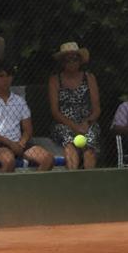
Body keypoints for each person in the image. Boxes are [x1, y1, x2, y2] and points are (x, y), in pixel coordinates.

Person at [0, 61, 54, 172]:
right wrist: (10, 144)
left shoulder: (19, 101)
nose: (5, 80)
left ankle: (34, 187)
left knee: (48, 159)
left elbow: (28, 129)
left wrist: (21, 143)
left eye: (9, 76)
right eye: (1, 76)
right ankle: (3, 189)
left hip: (19, 144)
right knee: (9, 161)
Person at [48, 42, 101, 170]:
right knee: (68, 143)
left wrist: (86, 123)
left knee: (89, 145)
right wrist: (74, 126)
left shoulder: (89, 78)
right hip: (64, 123)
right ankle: (72, 178)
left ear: (80, 61)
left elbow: (97, 109)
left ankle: (88, 180)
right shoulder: (55, 80)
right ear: (62, 62)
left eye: (75, 59)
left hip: (86, 123)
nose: (72, 62)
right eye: (68, 59)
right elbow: (55, 111)